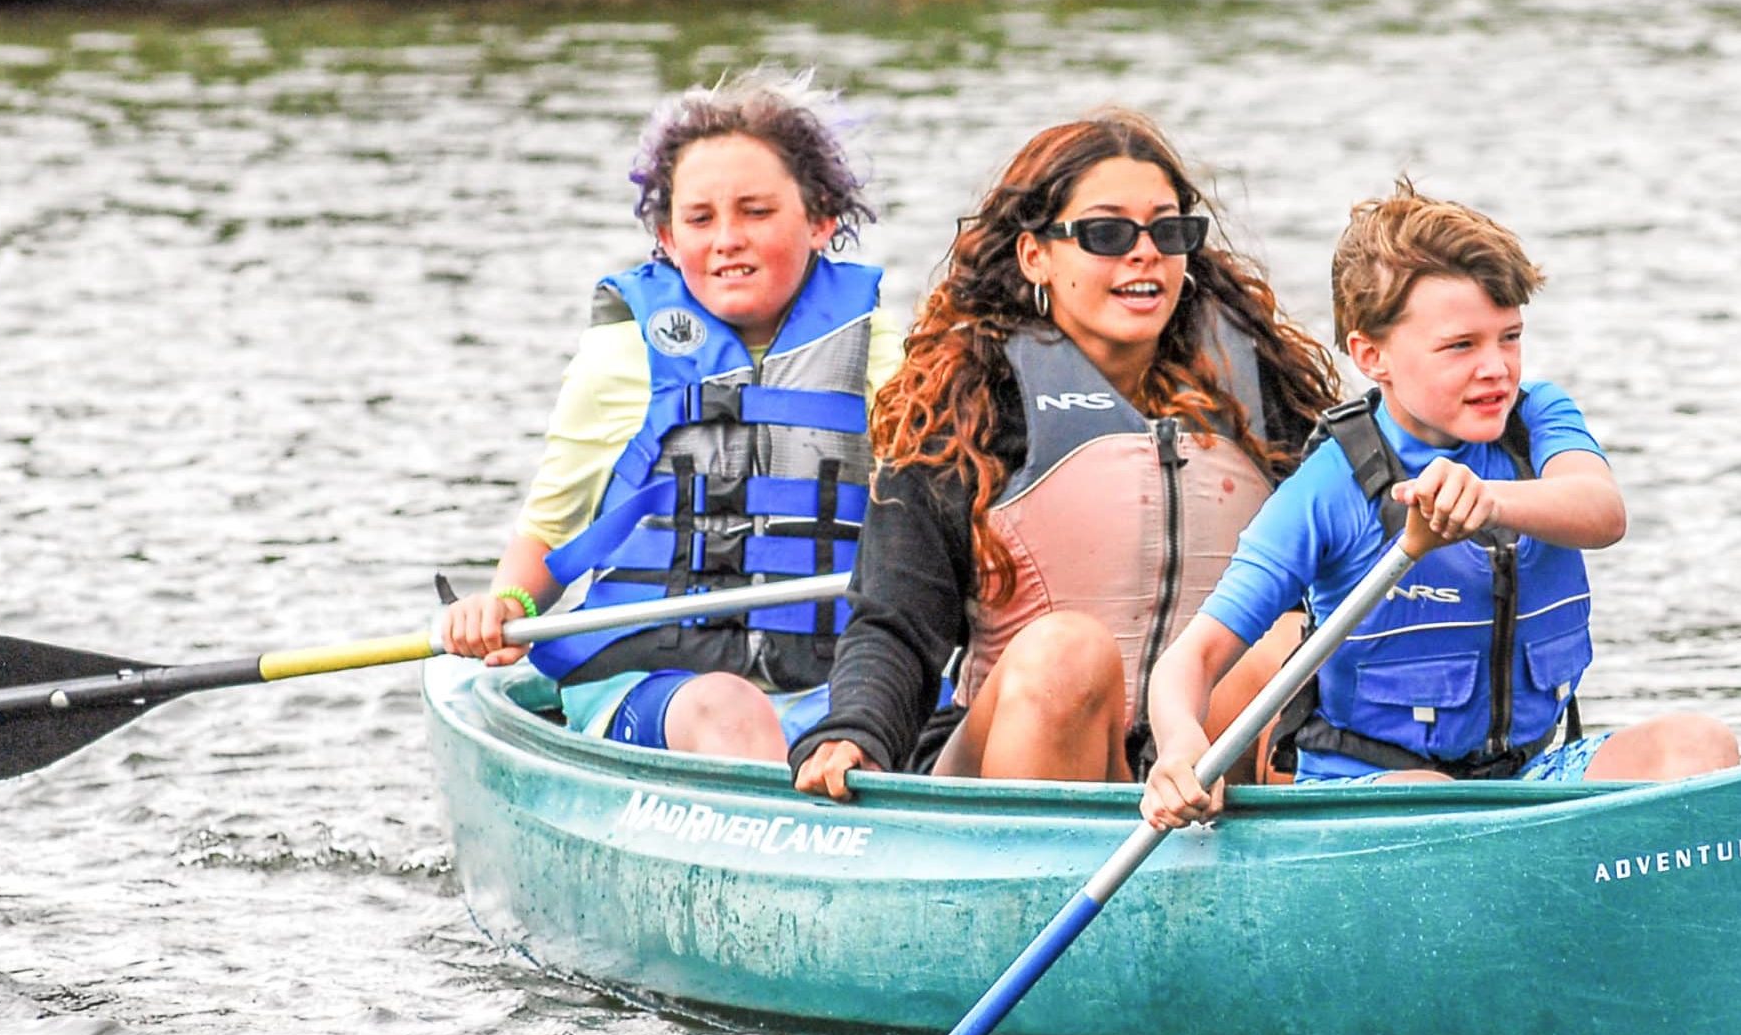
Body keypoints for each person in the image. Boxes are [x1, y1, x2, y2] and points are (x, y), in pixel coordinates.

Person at [1139, 180, 1738, 830]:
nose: (1497, 369)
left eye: (1509, 338)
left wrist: (1489, 500)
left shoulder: (1537, 419)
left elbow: (1602, 511)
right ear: (1373, 356)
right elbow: (1189, 661)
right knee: (1436, 802)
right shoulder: (1328, 489)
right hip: (1375, 793)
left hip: (1529, 778)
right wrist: (1178, 747)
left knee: (1700, 747)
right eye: (1462, 346)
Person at [789, 112, 1340, 798]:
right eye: (1106, 233)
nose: (1144, 254)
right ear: (1035, 255)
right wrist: (854, 734)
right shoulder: (966, 407)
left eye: (1168, 232)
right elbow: (895, 625)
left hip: (1205, 771)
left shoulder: (1267, 398)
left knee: (1289, 639)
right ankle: (1026, 880)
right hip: (1012, 762)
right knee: (1064, 652)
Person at [440, 71, 902, 760]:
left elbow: (937, 516)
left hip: (832, 678)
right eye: (700, 219)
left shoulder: (880, 348)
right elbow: (551, 528)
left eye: (756, 212)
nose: (727, 239)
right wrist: (509, 606)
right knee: (728, 707)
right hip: (654, 679)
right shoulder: (621, 354)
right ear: (666, 236)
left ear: (821, 218)